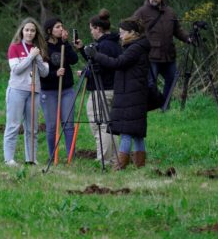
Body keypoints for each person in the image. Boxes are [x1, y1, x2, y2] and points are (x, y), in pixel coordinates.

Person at [85, 17, 150, 170]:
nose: (119, 35)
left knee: (127, 131)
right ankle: (140, 165)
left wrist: (96, 55)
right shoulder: (136, 46)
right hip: (135, 93)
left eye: (122, 33)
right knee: (137, 132)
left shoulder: (135, 48)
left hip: (131, 94)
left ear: (132, 33)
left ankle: (119, 166)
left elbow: (117, 63)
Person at [75, 9, 122, 165]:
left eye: (91, 29)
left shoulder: (104, 46)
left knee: (100, 126)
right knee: (109, 125)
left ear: (98, 28)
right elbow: (96, 61)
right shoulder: (114, 43)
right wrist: (82, 50)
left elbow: (100, 68)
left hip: (102, 90)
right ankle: (115, 158)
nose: (91, 32)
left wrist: (85, 73)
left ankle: (104, 159)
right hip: (113, 88)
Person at [133, 0, 191, 104]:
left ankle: (165, 105)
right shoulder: (142, 12)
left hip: (169, 54)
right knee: (150, 83)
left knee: (172, 79)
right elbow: (131, 28)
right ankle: (151, 105)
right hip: (151, 54)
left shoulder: (170, 12)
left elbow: (178, 30)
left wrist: (188, 38)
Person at [4, 17, 49, 166]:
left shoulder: (39, 49)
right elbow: (16, 69)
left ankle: (31, 158)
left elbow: (45, 73)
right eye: (27, 30)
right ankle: (9, 159)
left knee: (32, 127)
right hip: (17, 90)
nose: (29, 33)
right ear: (22, 31)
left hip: (34, 91)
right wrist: (30, 57)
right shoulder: (14, 47)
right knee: (14, 125)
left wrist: (38, 59)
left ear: (36, 33)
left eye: (32, 30)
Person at [40, 17, 79, 160]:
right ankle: (52, 156)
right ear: (49, 30)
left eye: (62, 26)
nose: (61, 29)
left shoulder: (63, 44)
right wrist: (54, 74)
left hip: (66, 90)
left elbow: (74, 60)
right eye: (57, 27)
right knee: (51, 127)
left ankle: (71, 157)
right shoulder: (43, 47)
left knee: (68, 125)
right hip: (49, 91)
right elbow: (40, 72)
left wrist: (65, 42)